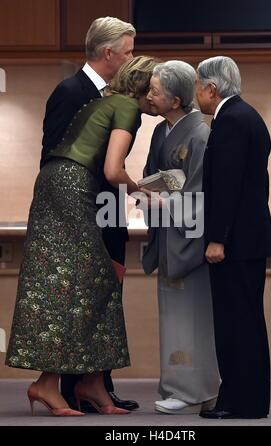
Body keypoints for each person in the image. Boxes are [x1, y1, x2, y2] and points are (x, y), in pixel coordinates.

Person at [5, 55, 158, 417]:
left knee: (91, 279)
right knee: (81, 282)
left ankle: (90, 382)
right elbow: (112, 169)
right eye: (158, 87)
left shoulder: (103, 99)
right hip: (74, 187)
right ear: (145, 88)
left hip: (56, 183)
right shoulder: (127, 108)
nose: (162, 96)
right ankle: (47, 383)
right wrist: (142, 190)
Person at [40, 16, 138, 412]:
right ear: (108, 53)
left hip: (108, 211)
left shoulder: (116, 95)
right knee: (77, 296)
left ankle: (98, 385)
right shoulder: (70, 91)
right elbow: (54, 159)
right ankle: (69, 386)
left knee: (106, 298)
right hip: (80, 211)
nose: (132, 60)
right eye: (129, 52)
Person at [196, 56, 271, 419]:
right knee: (247, 320)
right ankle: (250, 400)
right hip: (249, 239)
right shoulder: (248, 117)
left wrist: (217, 239)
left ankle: (237, 402)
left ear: (212, 89)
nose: (196, 94)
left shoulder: (229, 122)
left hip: (235, 244)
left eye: (198, 87)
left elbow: (226, 188)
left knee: (235, 323)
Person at [140, 61, 219, 414]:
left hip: (189, 236)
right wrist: (148, 193)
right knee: (172, 317)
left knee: (193, 318)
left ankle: (195, 387)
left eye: (155, 91)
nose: (149, 97)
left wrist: (164, 198)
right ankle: (175, 384)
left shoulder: (200, 135)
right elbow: (149, 174)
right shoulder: (160, 132)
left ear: (175, 99)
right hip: (167, 232)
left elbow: (201, 195)